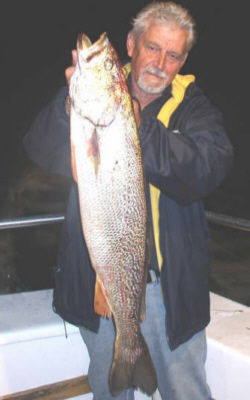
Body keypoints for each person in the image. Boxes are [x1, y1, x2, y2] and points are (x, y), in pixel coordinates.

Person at [23, 2, 233, 399]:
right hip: (100, 283)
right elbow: (40, 148)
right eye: (153, 47)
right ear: (132, 44)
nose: (160, 62)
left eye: (173, 55)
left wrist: (138, 127)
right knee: (111, 393)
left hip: (172, 292)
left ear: (183, 60)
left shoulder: (195, 108)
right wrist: (69, 107)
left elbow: (207, 167)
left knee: (187, 392)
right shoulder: (94, 99)